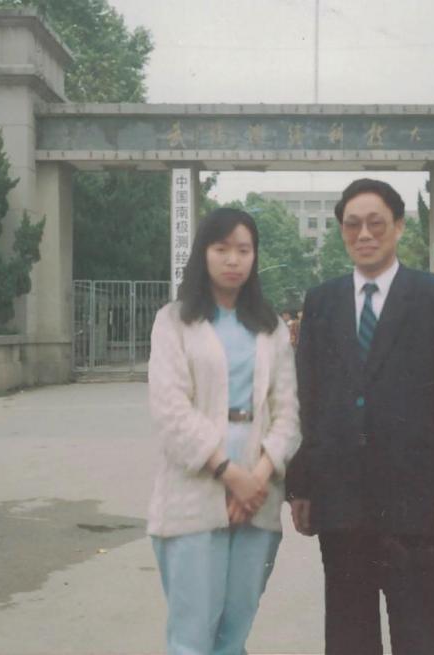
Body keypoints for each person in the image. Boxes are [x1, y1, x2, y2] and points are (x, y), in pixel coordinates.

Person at [286, 178, 434, 655]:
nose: (364, 234)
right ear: (342, 231)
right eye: (353, 225)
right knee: (348, 634)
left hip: (414, 500)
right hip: (340, 498)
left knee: (418, 632)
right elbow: (308, 399)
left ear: (398, 226)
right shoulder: (322, 302)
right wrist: (301, 485)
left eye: (376, 223)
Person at [146, 207, 301, 655]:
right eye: (222, 249)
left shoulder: (270, 327)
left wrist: (259, 477)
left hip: (259, 493)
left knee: (234, 634)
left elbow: (288, 412)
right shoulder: (174, 321)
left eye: (244, 250)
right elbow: (171, 410)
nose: (233, 260)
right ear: (203, 253)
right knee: (192, 637)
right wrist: (231, 475)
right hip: (196, 491)